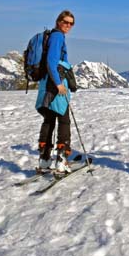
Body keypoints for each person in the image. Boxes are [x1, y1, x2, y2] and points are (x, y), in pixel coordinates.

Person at [35, 10, 75, 174]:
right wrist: (59, 84)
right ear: (58, 21)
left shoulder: (51, 36)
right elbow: (52, 61)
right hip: (55, 85)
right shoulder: (58, 37)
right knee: (64, 120)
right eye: (65, 22)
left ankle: (44, 160)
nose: (68, 26)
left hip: (46, 84)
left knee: (49, 120)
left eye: (71, 23)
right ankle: (61, 159)